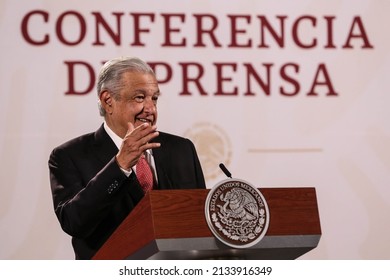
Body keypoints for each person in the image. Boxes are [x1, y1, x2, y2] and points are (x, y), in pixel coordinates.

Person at [48, 57, 206, 259]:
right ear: (108, 101)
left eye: (154, 98)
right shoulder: (69, 156)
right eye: (139, 98)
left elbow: (199, 221)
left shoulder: (181, 149)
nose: (150, 109)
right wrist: (120, 165)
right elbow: (74, 222)